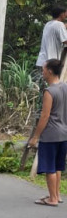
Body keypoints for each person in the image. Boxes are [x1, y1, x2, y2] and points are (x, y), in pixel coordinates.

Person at [27, 58, 67, 206]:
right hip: (64, 133)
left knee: (49, 166)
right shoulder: (65, 87)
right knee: (58, 166)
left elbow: (45, 116)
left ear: (50, 71)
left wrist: (35, 137)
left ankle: (53, 199)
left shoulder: (49, 91)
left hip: (51, 134)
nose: (42, 72)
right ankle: (56, 195)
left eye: (44, 69)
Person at [36, 4, 67, 70]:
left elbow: (58, 29)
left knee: (43, 80)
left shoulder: (48, 24)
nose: (66, 15)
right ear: (61, 14)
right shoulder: (59, 25)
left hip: (42, 61)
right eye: (65, 13)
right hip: (51, 63)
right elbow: (65, 41)